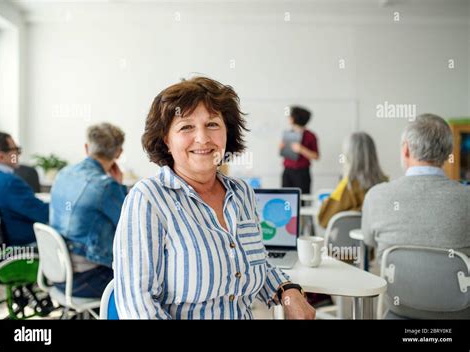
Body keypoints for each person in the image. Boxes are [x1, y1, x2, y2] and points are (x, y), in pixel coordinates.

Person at [113, 77, 316, 319]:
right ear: (167, 140)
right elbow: (137, 306)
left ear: (227, 132)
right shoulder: (147, 200)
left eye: (212, 124)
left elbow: (257, 263)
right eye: (186, 127)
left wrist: (288, 291)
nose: (203, 138)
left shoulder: (242, 193)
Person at [362, 114, 470, 318]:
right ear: (449, 153)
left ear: (405, 149)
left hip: (399, 310)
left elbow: (368, 242)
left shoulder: (377, 196)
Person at [50, 123, 127, 298]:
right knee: (146, 282)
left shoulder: (63, 173)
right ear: (118, 153)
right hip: (87, 279)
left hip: (57, 273)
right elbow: (130, 227)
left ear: (86, 147)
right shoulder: (107, 186)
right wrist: (119, 185)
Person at [318, 132, 387, 228]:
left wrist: (327, 202)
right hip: (376, 241)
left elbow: (324, 220)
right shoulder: (385, 184)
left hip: (345, 242)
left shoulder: (347, 186)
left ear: (348, 156)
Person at [0, 131, 48, 246]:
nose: (19, 155)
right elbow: (43, 214)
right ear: (1, 156)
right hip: (27, 245)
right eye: (16, 150)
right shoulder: (9, 183)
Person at [280, 106, 319, 195]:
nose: (288, 118)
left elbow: (316, 156)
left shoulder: (310, 136)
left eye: (290, 116)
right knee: (285, 197)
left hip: (302, 173)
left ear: (295, 118)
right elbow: (282, 153)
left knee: (302, 200)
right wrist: (282, 147)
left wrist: (301, 149)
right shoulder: (288, 133)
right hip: (287, 171)